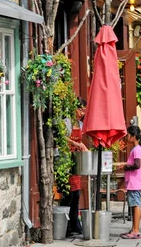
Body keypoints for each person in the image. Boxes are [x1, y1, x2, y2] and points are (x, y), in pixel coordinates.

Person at [61, 98, 88, 236]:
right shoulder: (67, 122)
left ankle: (75, 223)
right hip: (66, 160)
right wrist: (76, 144)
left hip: (76, 160)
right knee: (69, 193)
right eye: (80, 109)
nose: (82, 113)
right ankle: (66, 226)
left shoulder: (81, 124)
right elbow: (62, 138)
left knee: (77, 193)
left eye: (84, 110)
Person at [119, 125, 141, 239]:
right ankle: (133, 228)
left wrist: (126, 166)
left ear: (134, 137)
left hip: (134, 182)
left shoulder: (137, 149)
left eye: (128, 135)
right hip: (132, 182)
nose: (127, 137)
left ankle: (136, 231)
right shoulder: (136, 149)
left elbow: (137, 165)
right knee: (133, 204)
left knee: (136, 205)